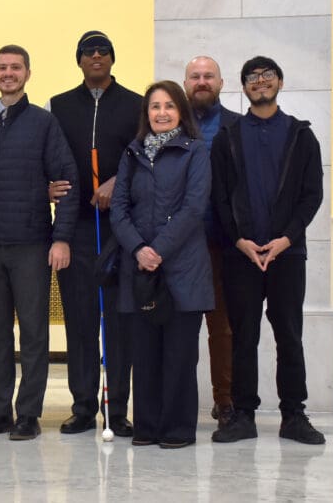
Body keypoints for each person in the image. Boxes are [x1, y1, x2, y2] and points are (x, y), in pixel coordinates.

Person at [0, 45, 79, 440]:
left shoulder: (45, 123)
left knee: (33, 333)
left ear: (28, 73)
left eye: (15, 67)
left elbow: (66, 183)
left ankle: (28, 414)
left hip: (31, 245)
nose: (8, 73)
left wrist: (61, 238)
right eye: (2, 67)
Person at [211, 56, 325, 445]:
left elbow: (312, 196)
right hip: (240, 254)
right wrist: (239, 239)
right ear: (242, 87)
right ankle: (242, 415)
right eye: (252, 78)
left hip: (287, 255)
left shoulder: (301, 135)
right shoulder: (227, 138)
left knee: (289, 334)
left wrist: (286, 239)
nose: (260, 82)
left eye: (267, 76)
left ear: (279, 81)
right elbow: (219, 198)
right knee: (243, 335)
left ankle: (294, 414)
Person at [47, 30, 141, 436]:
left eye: (103, 50)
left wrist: (119, 181)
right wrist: (46, 185)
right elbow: (48, 158)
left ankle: (116, 408)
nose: (96, 56)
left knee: (119, 321)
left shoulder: (137, 105)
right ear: (79, 60)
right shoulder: (60, 106)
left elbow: (144, 158)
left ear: (113, 58)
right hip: (77, 227)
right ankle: (84, 406)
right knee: (80, 320)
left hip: (121, 228)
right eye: (88, 51)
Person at [110, 80, 213, 449]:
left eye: (169, 106)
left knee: (179, 356)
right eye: (155, 106)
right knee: (146, 354)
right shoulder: (132, 153)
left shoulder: (196, 151)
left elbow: (194, 207)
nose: (162, 113)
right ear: (146, 114)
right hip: (139, 270)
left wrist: (158, 250)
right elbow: (118, 208)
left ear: (181, 112)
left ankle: (177, 430)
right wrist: (139, 248)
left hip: (183, 270)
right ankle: (148, 428)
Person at [183, 55, 241, 427]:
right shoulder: (167, 126)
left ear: (221, 83)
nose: (201, 82)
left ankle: (226, 403)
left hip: (223, 244)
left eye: (208, 76)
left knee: (223, 329)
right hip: (180, 247)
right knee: (180, 330)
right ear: (184, 84)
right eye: (194, 76)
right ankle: (180, 403)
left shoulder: (238, 127)